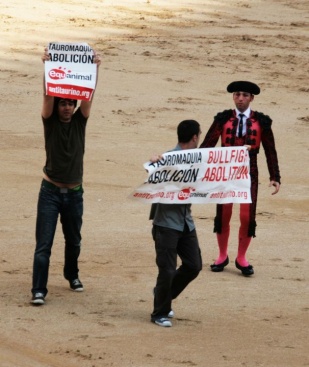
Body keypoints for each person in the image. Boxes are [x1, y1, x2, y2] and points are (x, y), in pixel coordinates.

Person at [31, 47, 101, 305]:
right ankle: (38, 289)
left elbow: (89, 93)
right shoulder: (49, 121)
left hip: (74, 193)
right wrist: (47, 69)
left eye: (71, 103)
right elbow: (46, 94)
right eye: (64, 103)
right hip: (49, 192)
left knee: (74, 242)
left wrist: (95, 68)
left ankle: (72, 275)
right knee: (44, 245)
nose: (68, 107)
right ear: (58, 104)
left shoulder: (81, 121)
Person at [200, 81, 281, 276]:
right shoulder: (222, 119)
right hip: (225, 172)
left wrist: (275, 176)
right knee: (224, 214)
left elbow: (270, 150)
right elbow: (207, 145)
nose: (241, 98)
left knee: (246, 216)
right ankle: (222, 255)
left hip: (249, 173)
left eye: (245, 95)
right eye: (237, 95)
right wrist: (194, 167)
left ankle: (241, 258)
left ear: (251, 98)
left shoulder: (262, 121)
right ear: (233, 97)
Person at [149, 120, 203, 327]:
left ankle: (163, 294)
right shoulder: (166, 158)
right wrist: (154, 163)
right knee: (167, 269)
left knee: (193, 265)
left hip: (185, 221)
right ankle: (159, 313)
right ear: (195, 137)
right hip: (166, 223)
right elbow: (152, 176)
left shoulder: (197, 159)